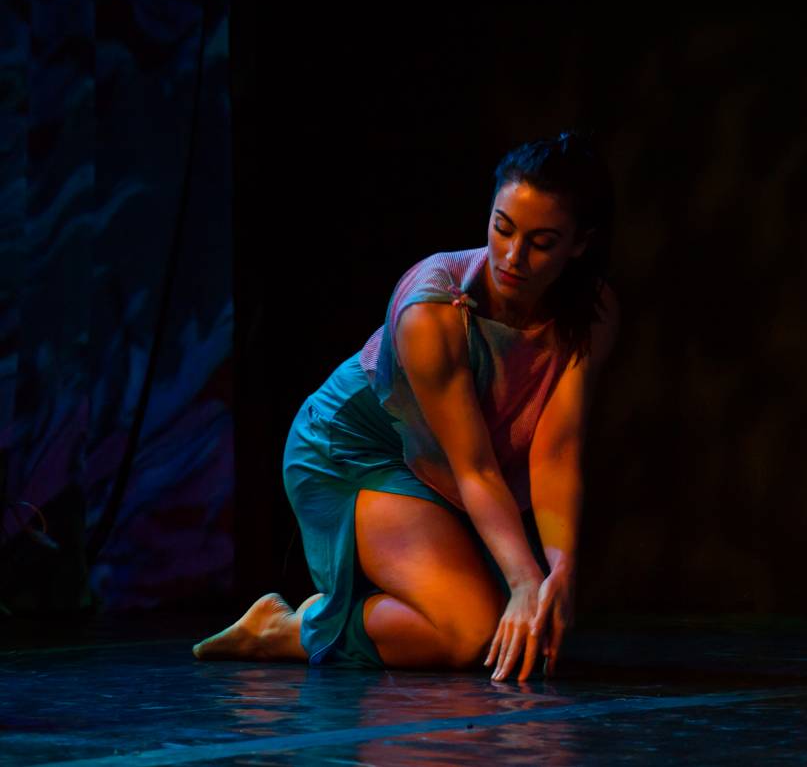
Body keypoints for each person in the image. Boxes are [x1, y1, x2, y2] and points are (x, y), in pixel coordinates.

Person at [193, 133, 619, 682]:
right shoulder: (434, 308)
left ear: (579, 245)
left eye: (542, 241)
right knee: (470, 631)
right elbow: (476, 466)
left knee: (504, 622)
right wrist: (523, 580)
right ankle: (287, 630)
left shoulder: (593, 312)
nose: (512, 257)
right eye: (502, 227)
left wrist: (559, 571)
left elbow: (556, 449)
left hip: (438, 474)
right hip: (353, 453)